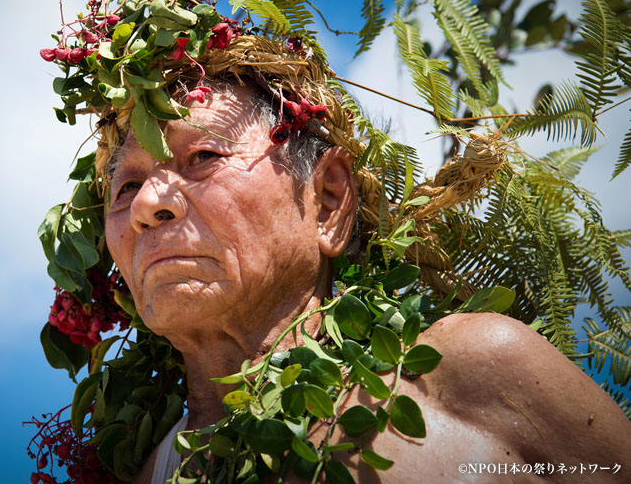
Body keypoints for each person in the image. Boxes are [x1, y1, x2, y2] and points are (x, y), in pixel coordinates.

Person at [99, 67, 631, 483]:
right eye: (125, 188)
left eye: (204, 155)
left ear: (328, 200)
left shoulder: (475, 379)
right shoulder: (146, 477)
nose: (148, 203)